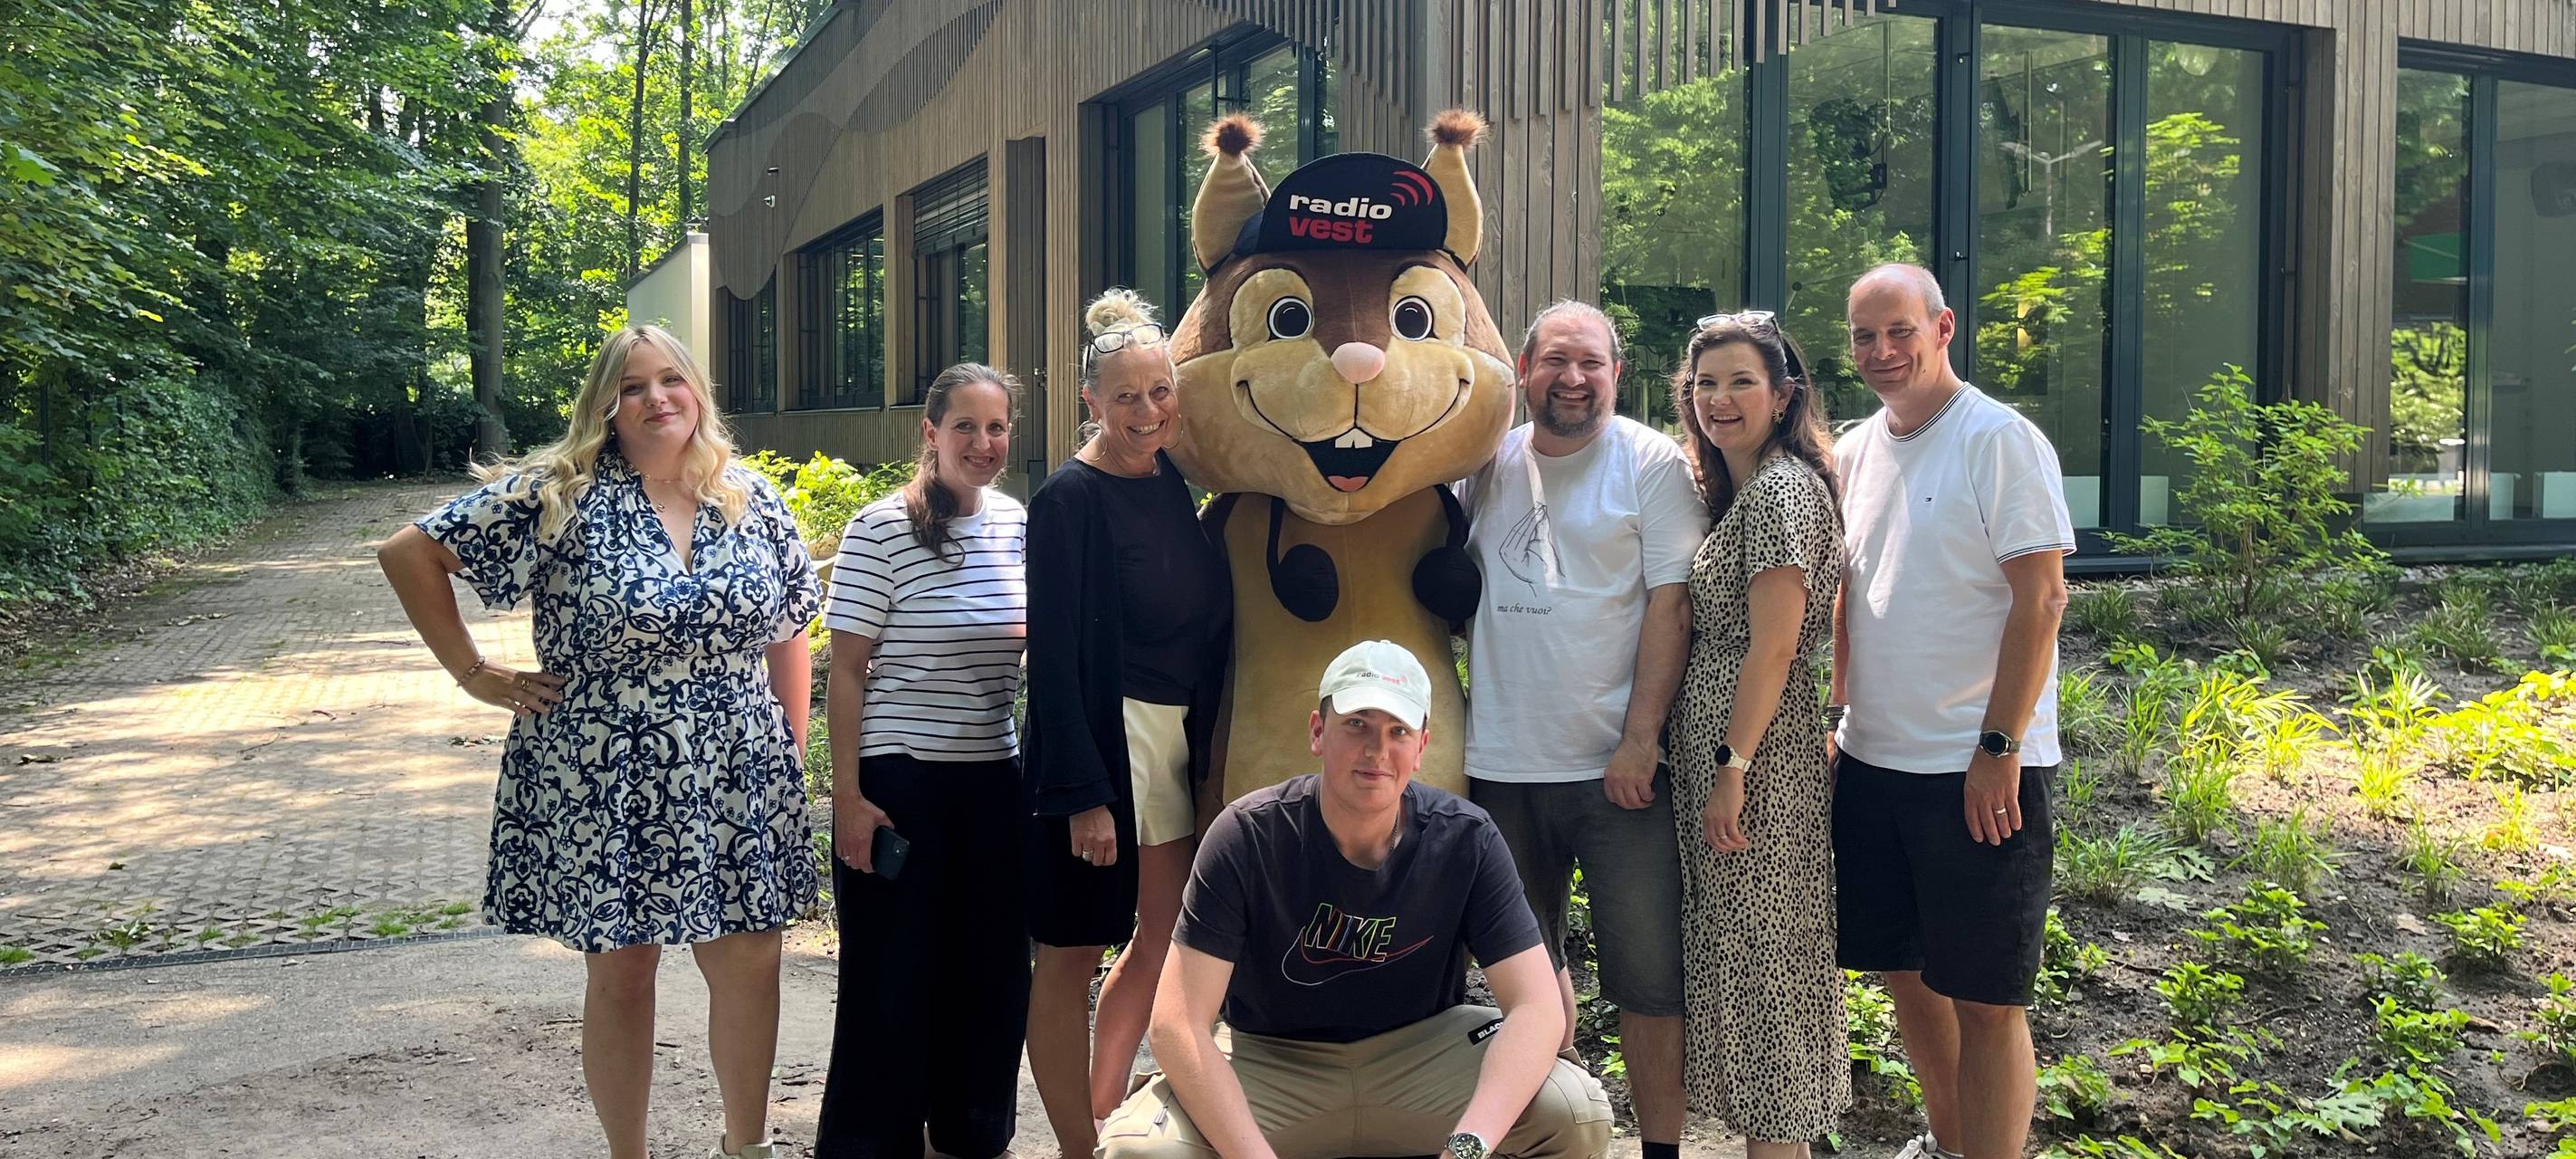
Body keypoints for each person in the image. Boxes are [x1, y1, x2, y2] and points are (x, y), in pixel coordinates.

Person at [378, 324, 820, 1159]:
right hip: (605, 771)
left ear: (698, 393)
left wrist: (789, 750)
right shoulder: (561, 494)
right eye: (632, 387)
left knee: (752, 962)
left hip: (737, 767)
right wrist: (477, 674)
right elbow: (408, 553)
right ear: (606, 407)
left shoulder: (749, 497)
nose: (656, 399)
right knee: (624, 970)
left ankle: (747, 1147)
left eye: (671, 381)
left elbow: (789, 627)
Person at [1100, 639, 1612, 1159]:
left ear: (1422, 745)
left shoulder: (1466, 838)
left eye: (1398, 732)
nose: (1376, 750)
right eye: (1357, 724)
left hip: (1423, 1056)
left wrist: (1467, 1148)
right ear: (1318, 732)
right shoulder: (1246, 835)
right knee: (1139, 1149)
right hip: (1273, 1061)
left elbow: (1536, 1007)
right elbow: (1177, 1022)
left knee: (1575, 1113)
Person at [1832, 263, 2074, 1159]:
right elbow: (1846, 603)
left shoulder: (1996, 439)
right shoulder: (1854, 451)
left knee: (1985, 996)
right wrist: (1834, 712)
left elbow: (2041, 598)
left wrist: (1999, 746)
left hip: (1977, 772)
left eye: (1898, 330)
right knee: (1906, 975)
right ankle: (1946, 1141)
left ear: (1943, 327)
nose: (1881, 351)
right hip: (1871, 764)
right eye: (1863, 335)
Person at [1456, 300, 1705, 1159]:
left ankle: (1662, 1151)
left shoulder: (1651, 464)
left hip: (1616, 773)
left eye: (1591, 362)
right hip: (1500, 765)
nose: (1573, 378)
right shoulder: (1482, 463)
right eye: (1556, 361)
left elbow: (1672, 607)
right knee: (1524, 980)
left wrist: (1642, 740)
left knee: (1648, 980)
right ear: (1524, 370)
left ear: (1617, 373)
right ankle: (1561, 1134)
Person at [1022, 288, 1234, 1157]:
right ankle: (1075, 1142)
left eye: (1159, 392)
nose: (1148, 412)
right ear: (1090, 403)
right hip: (1110, 744)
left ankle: (1104, 1119)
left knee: (1158, 938)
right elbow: (1057, 660)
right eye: (1126, 397)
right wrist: (1085, 795)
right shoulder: (1069, 499)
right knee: (1070, 953)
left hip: (1173, 736)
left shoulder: (1168, 476)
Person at [811, 363, 1031, 1159]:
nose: (983, 442)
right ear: (930, 434)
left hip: (991, 779)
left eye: (997, 426)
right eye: (964, 426)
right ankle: (874, 1140)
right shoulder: (880, 528)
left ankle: (973, 1127)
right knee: (890, 976)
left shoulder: (1016, 523)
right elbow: (847, 670)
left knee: (991, 971)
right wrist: (849, 798)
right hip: (899, 781)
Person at [1665, 313, 1850, 1156]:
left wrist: (1732, 767)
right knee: (1746, 958)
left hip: (1759, 767)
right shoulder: (1744, 490)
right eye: (1706, 383)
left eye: (1742, 382)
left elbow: (1776, 646)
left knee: (1768, 965)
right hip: (1746, 756)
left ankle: (1779, 1145)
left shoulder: (1777, 492)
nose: (1721, 399)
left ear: (1783, 396)